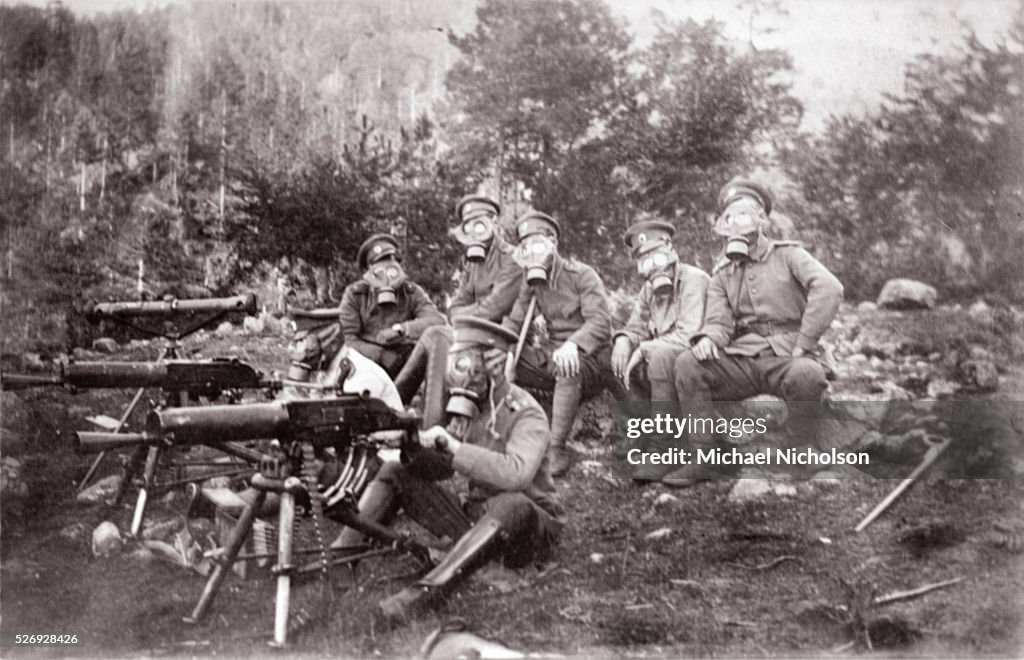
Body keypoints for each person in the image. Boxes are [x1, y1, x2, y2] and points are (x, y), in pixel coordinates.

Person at [334, 316, 564, 624]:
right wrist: (412, 443)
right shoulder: (472, 408)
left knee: (513, 502)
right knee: (394, 472)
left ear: (494, 367)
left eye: (473, 367)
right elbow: (441, 471)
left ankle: (425, 594)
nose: (465, 377)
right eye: (458, 364)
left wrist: (453, 447)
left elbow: (516, 475)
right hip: (480, 520)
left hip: (530, 530)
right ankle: (339, 559)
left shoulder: (525, 412)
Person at [670, 178, 844, 484]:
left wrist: (805, 341)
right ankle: (704, 458)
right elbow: (718, 321)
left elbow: (829, 288)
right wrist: (709, 338)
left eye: (744, 216)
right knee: (688, 363)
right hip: (744, 357)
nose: (736, 225)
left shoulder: (789, 255)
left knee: (808, 375)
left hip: (789, 354)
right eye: (730, 218)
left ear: (762, 220)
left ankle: (800, 455)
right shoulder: (723, 273)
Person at [392, 194, 523, 426]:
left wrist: (464, 314)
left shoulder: (512, 259)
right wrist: (466, 313)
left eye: (480, 223)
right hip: (473, 334)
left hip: (501, 338)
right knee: (436, 335)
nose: (475, 231)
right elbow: (454, 308)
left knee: (437, 334)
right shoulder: (472, 262)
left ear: (494, 222)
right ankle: (393, 406)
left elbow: (495, 307)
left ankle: (424, 421)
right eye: (469, 226)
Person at [501, 210, 614, 477]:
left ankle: (556, 448)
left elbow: (600, 323)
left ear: (554, 243)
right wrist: (505, 354)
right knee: (494, 356)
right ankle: (500, 434)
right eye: (525, 248)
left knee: (566, 365)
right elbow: (516, 322)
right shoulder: (532, 283)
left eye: (538, 245)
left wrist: (573, 345)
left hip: (589, 359)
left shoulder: (582, 275)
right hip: (552, 355)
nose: (532, 253)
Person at [612, 217, 710, 401]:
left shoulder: (694, 280)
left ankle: (663, 427)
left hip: (699, 357)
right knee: (616, 356)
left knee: (659, 357)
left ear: (671, 251)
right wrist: (623, 340)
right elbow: (636, 327)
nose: (654, 266)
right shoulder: (648, 289)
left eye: (659, 257)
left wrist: (643, 349)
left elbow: (688, 335)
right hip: (665, 358)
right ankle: (643, 420)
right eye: (645, 262)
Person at [338, 234, 445, 378]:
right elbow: (350, 339)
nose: (387, 267)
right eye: (379, 262)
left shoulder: (411, 292)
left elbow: (436, 321)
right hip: (366, 359)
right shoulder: (355, 294)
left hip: (404, 358)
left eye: (391, 260)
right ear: (369, 269)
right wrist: (379, 354)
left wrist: (401, 329)